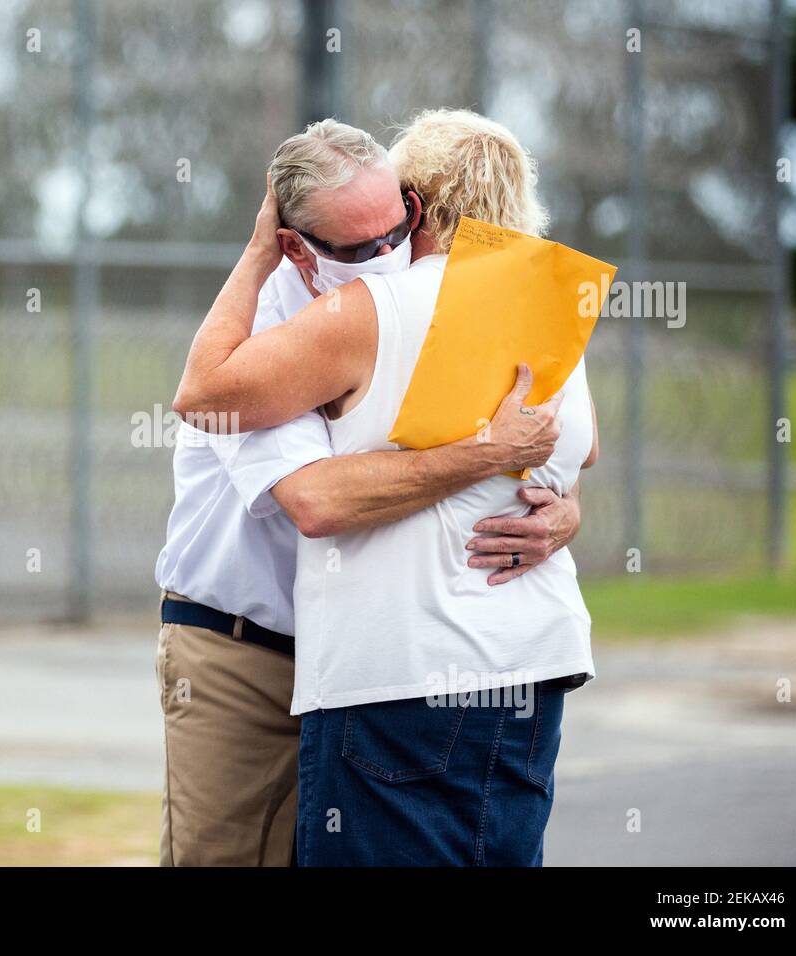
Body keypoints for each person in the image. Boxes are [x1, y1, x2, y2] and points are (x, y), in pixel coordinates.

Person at [174, 109, 598, 866]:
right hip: (247, 643)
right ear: (294, 245)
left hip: (383, 662)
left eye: (396, 229)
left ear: (418, 206)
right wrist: (490, 455)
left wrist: (559, 511)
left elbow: (568, 461)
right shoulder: (287, 315)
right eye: (360, 245)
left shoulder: (412, 305)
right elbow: (315, 499)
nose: (384, 254)